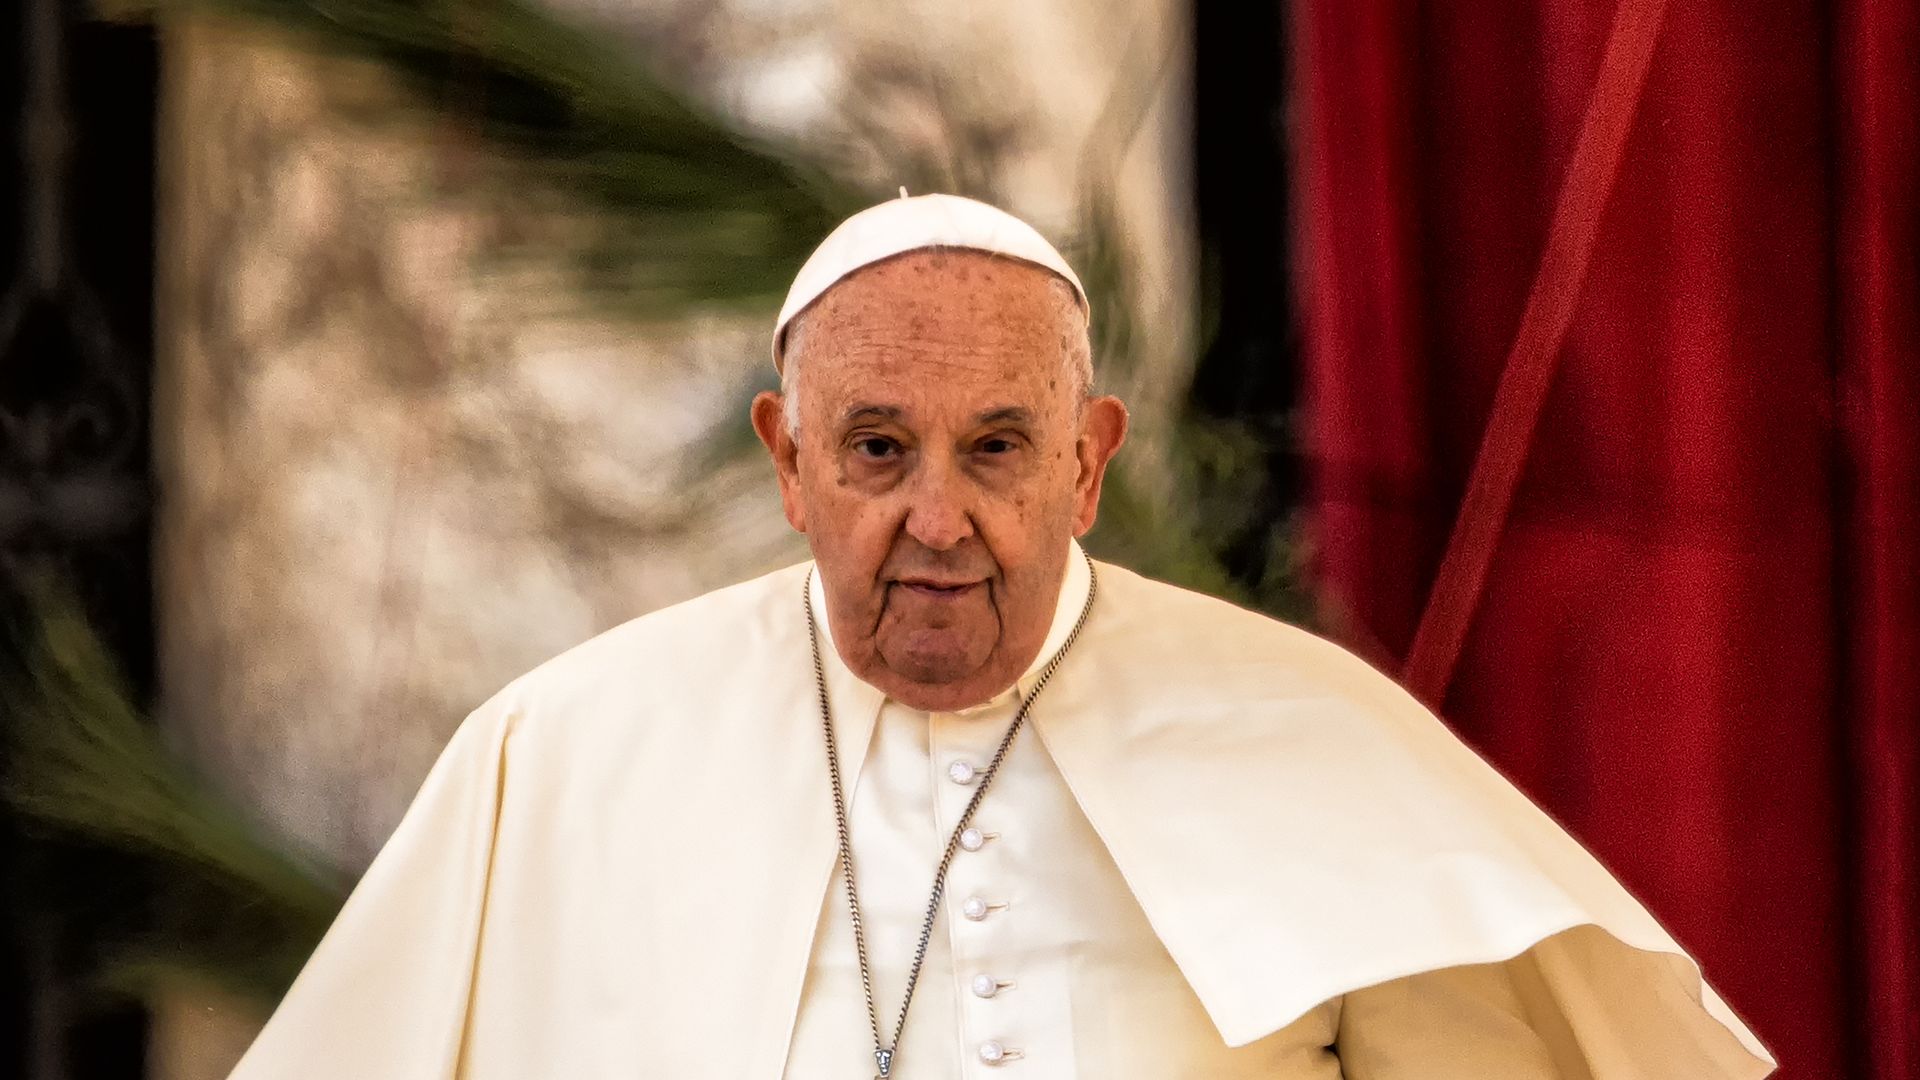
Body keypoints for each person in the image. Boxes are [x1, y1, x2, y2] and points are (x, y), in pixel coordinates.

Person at [226, 193, 1774, 1079]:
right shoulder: (558, 758)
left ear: (1092, 460)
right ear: (786, 460)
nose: (941, 521)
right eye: (879, 451)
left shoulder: (1308, 739)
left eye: (999, 449)